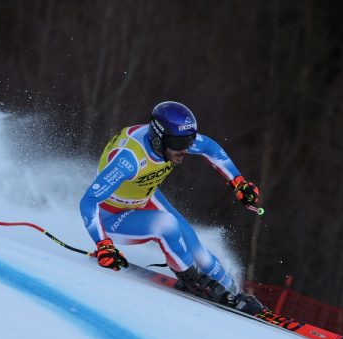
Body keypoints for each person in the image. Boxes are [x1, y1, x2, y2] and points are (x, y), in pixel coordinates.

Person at [79, 101, 264, 314]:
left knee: (197, 248)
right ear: (159, 139)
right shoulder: (129, 160)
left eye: (189, 140)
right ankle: (191, 279)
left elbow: (210, 148)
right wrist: (103, 244)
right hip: (111, 217)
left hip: (144, 196)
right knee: (167, 226)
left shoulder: (174, 141)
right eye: (179, 142)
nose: (185, 148)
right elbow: (89, 200)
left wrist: (239, 182)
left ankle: (233, 292)